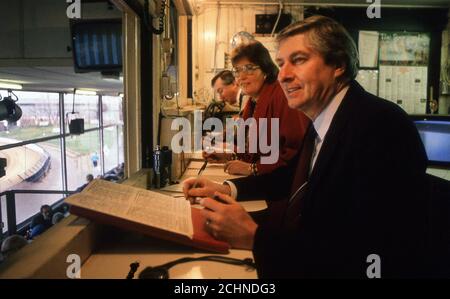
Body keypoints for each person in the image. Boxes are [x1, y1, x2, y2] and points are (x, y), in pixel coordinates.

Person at [184, 15, 431, 278]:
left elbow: (365, 250)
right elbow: (291, 178)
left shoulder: (381, 126)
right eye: (281, 64)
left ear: (338, 64)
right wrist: (227, 188)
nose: (283, 75)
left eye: (299, 60)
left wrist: (255, 237)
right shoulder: (325, 118)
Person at [205, 41, 309, 176]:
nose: (241, 77)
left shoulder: (282, 95)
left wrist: (253, 169)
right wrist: (229, 156)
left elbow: (295, 154)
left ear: (265, 69)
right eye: (237, 70)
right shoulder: (254, 100)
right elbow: (253, 152)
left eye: (249, 68)